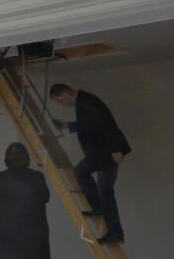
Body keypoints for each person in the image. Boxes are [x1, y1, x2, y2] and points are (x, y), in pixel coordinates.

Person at [48, 83, 131, 244]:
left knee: (101, 189)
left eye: (59, 101)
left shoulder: (86, 101)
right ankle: (104, 216)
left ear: (64, 94)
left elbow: (106, 124)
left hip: (106, 153)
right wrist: (67, 125)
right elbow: (91, 124)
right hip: (101, 154)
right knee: (93, 182)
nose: (62, 104)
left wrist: (116, 150)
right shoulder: (84, 101)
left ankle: (114, 232)